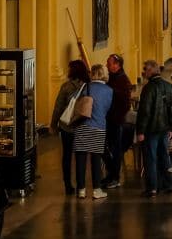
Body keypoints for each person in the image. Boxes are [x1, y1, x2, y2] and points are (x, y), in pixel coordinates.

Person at [136, 59, 172, 197]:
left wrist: (140, 131)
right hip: (165, 128)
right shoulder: (168, 86)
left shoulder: (148, 88)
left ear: (150, 71)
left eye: (145, 70)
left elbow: (145, 111)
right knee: (164, 156)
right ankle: (169, 184)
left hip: (151, 130)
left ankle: (152, 188)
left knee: (150, 158)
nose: (143, 73)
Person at [74, 64, 113, 199]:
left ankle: (81, 190)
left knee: (80, 159)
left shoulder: (85, 87)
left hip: (82, 125)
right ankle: (96, 190)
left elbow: (76, 103)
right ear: (103, 74)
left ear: (92, 74)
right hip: (98, 127)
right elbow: (107, 109)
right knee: (96, 159)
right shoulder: (109, 91)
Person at [50, 60, 89, 195]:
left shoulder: (66, 87)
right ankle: (81, 185)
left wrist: (53, 125)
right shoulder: (88, 87)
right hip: (82, 125)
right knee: (81, 156)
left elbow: (58, 107)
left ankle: (68, 184)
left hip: (67, 126)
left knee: (66, 156)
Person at [101, 53, 132, 189]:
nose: (107, 66)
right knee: (104, 148)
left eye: (109, 63)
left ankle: (115, 177)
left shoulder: (122, 80)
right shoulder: (113, 78)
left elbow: (125, 103)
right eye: (107, 63)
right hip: (108, 119)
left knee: (115, 149)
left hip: (116, 121)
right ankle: (111, 173)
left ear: (117, 65)